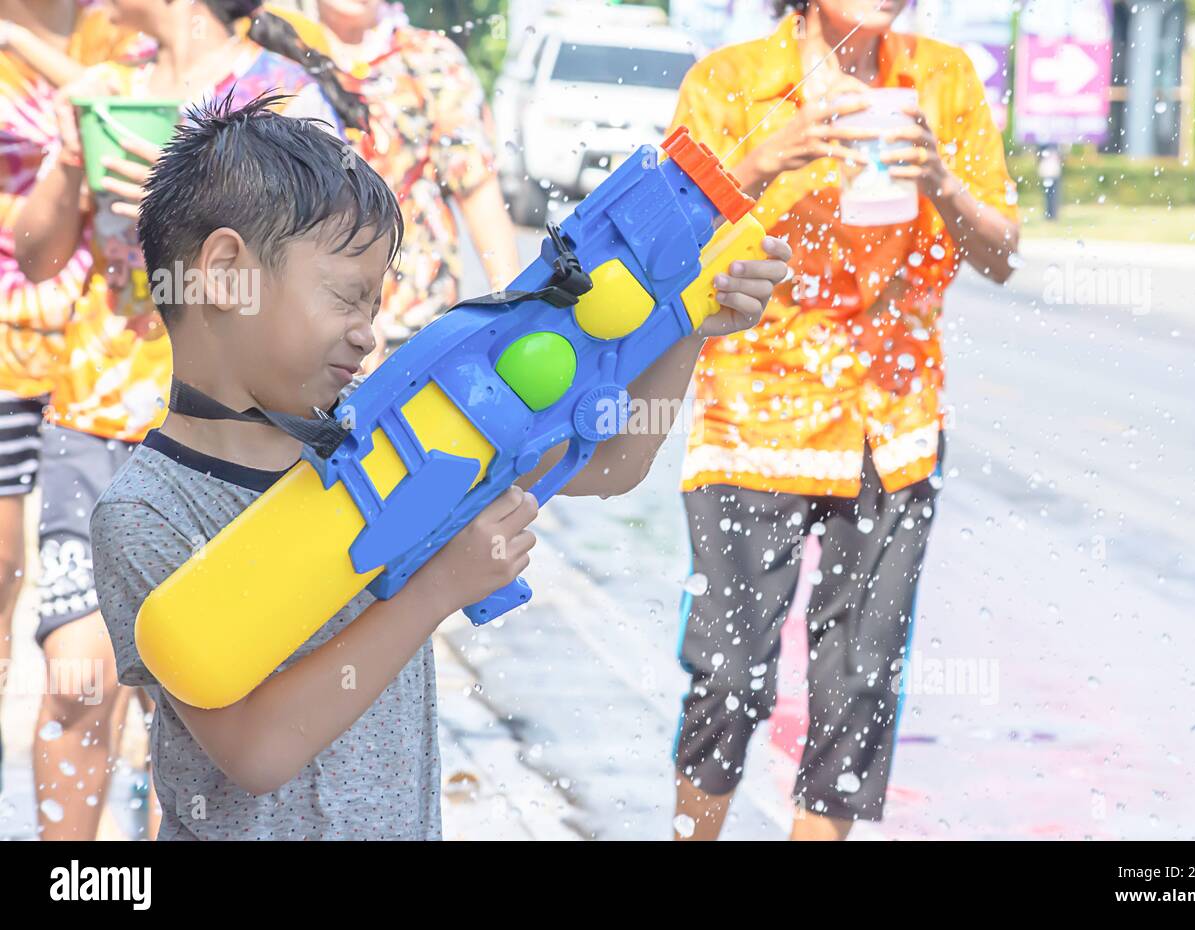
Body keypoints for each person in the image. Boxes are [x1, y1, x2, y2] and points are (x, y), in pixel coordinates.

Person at [89, 93, 791, 840]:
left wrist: (689, 324)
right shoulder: (149, 511)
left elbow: (612, 462)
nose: (367, 335)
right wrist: (437, 590)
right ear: (226, 272)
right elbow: (257, 752)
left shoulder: (380, 437)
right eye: (346, 299)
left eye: (376, 304)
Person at [669, 0, 1020, 840]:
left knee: (860, 680)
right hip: (756, 410)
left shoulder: (940, 79)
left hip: (892, 420)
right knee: (729, 673)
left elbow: (1002, 255)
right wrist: (760, 159)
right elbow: (669, 237)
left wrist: (940, 179)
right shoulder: (732, 82)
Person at [12, 0, 362, 839]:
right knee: (75, 679)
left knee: (206, 684)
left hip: (228, 431)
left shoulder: (282, 99)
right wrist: (67, 163)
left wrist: (190, 219)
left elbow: (325, 267)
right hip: (94, 415)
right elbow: (33, 256)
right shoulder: (108, 84)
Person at [0, 0, 145, 804]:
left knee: (99, 616)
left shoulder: (119, 33)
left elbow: (111, 98)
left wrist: (22, 41)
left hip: (93, 348)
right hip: (4, 334)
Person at [314, 0, 520, 352]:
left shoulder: (431, 60)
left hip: (410, 330)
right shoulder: (274, 58)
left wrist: (515, 315)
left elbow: (480, 197)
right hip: (302, 331)